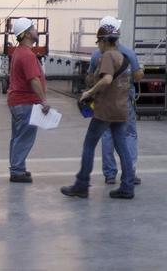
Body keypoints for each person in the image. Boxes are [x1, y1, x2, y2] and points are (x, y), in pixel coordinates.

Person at [61, 22, 138, 200]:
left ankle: (81, 185)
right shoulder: (122, 57)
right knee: (122, 147)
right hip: (121, 109)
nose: (99, 46)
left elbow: (107, 79)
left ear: (104, 41)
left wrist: (89, 92)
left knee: (89, 144)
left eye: (99, 42)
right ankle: (127, 186)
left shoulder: (108, 56)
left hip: (106, 110)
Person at [87, 15, 143, 186]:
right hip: (124, 102)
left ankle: (110, 174)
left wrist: (91, 90)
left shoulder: (96, 55)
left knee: (106, 135)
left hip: (104, 103)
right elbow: (137, 76)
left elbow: (90, 78)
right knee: (129, 135)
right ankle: (130, 172)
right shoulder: (128, 53)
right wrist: (141, 71)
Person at [6, 17, 50, 183]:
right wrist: (43, 100)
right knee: (24, 138)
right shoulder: (27, 55)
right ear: (26, 34)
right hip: (26, 102)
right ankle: (17, 171)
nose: (36, 31)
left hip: (18, 102)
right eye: (33, 28)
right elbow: (34, 80)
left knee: (18, 137)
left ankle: (18, 167)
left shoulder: (20, 52)